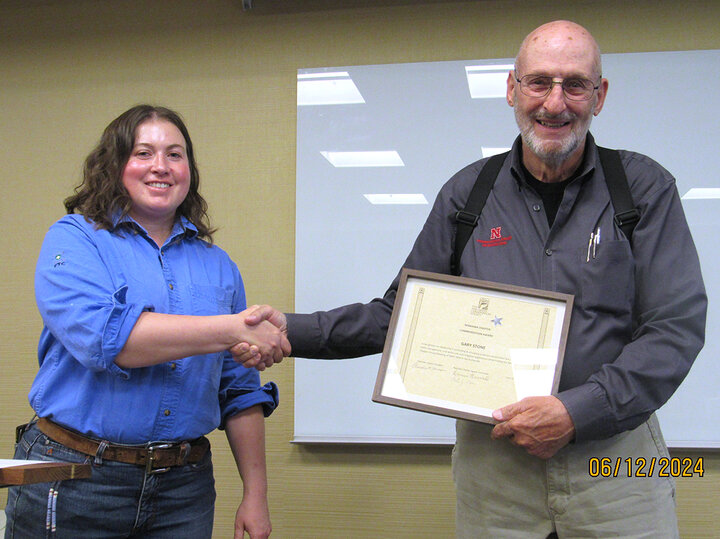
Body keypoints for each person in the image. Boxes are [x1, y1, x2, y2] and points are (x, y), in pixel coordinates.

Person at [241, 20, 707, 538]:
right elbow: (399, 314)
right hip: (495, 471)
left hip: (617, 463)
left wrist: (577, 412)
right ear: (512, 88)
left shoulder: (642, 189)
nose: (555, 103)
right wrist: (291, 330)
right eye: (539, 82)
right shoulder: (468, 195)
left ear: (600, 96)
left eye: (575, 84)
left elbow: (675, 327)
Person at [4, 105, 289, 539]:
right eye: (143, 153)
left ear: (189, 169)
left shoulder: (220, 267)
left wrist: (256, 493)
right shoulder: (74, 238)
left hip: (183, 491)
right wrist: (231, 328)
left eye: (175, 154)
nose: (161, 166)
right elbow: (108, 338)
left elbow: (238, 388)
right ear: (116, 165)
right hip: (76, 478)